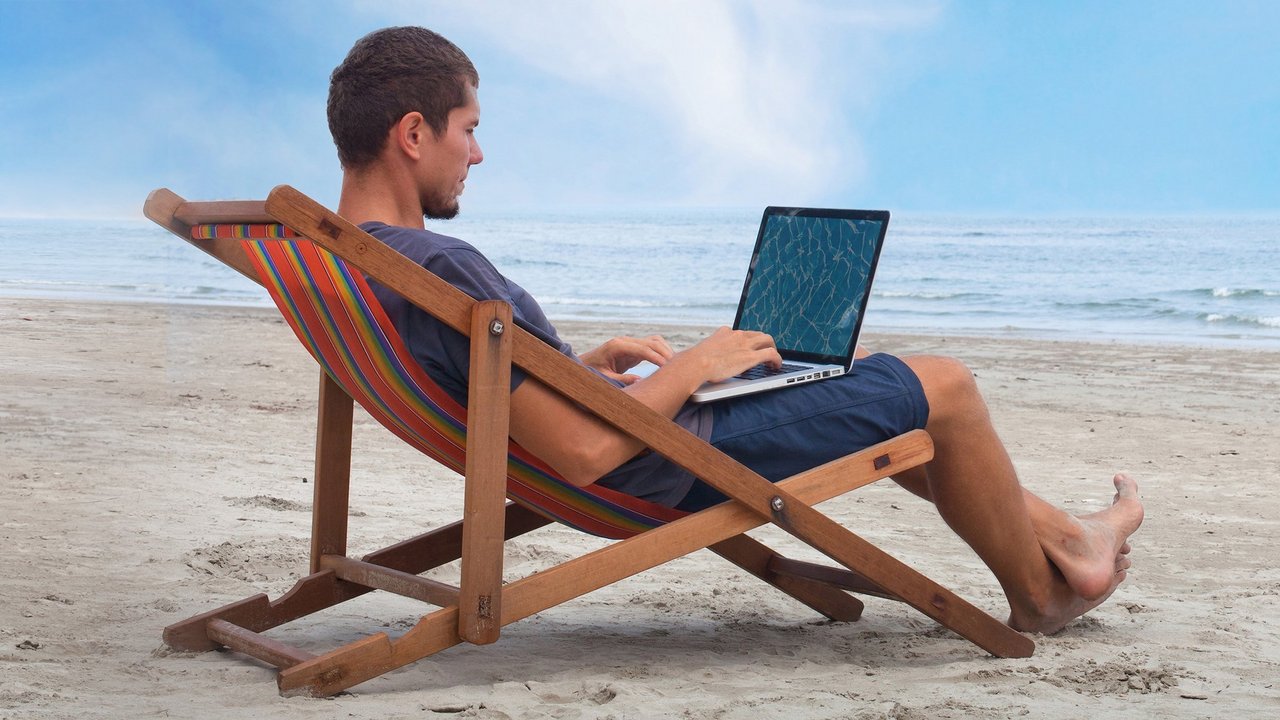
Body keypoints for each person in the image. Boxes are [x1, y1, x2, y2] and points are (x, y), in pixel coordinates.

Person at [327, 26, 1144, 634]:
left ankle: (1071, 540)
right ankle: (1043, 592)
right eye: (468, 129)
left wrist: (581, 367)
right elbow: (579, 453)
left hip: (644, 433)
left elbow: (503, 390)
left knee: (848, 381)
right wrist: (694, 366)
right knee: (945, 387)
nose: (478, 154)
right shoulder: (438, 265)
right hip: (665, 461)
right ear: (412, 133)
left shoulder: (355, 261)